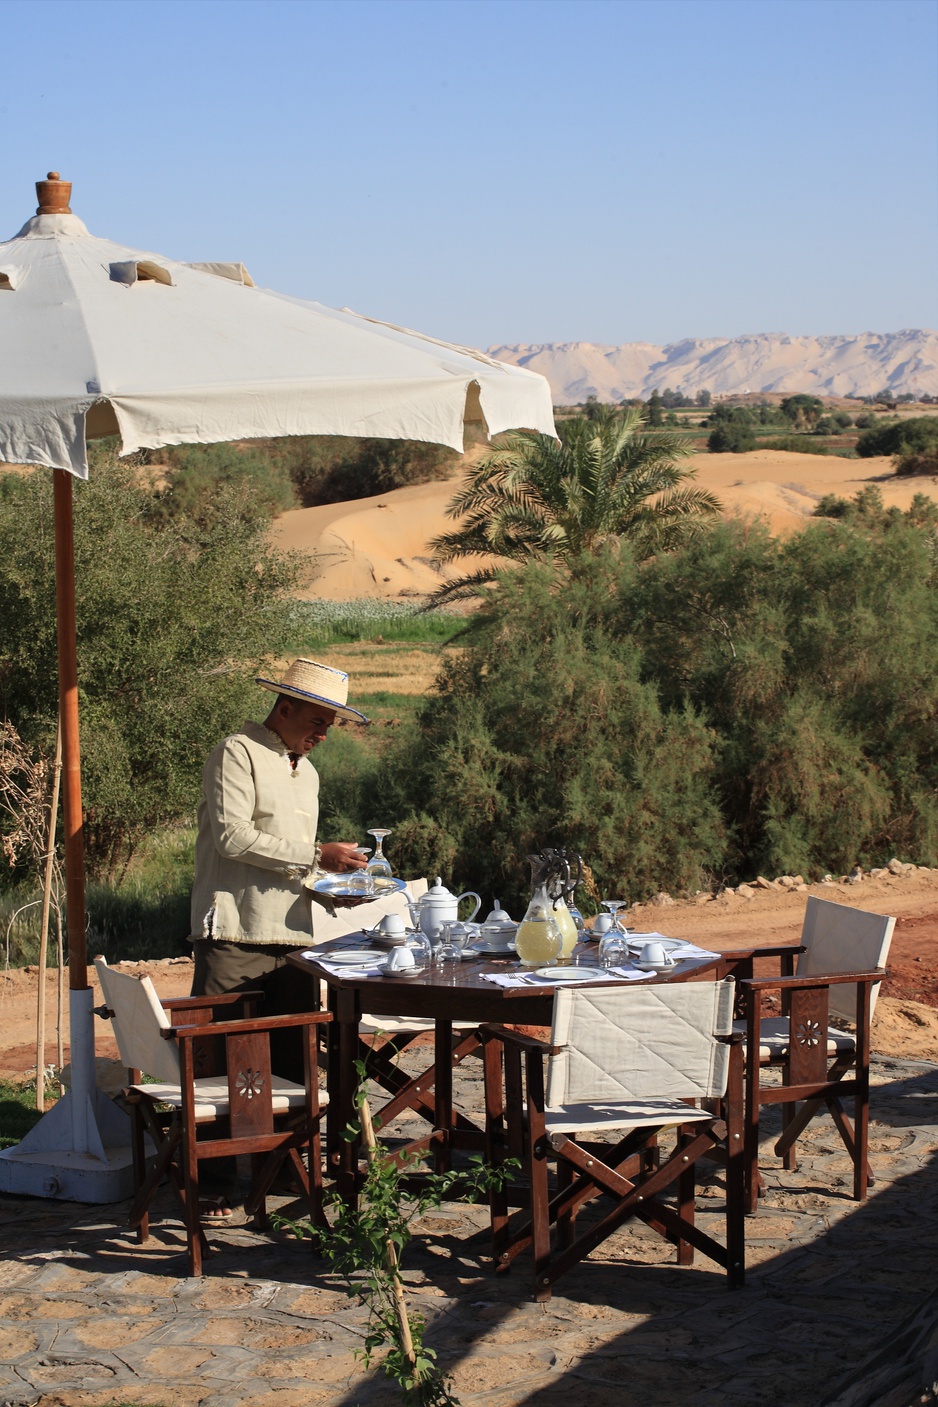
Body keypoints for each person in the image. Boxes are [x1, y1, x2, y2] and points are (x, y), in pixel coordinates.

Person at [190, 657, 368, 1016]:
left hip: (294, 941)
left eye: (329, 726)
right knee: (221, 1059)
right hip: (235, 935)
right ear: (285, 709)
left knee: (292, 1060)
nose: (322, 735)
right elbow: (233, 838)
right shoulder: (237, 752)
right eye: (317, 722)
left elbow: (292, 859)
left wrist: (331, 892)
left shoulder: (308, 773)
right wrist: (319, 855)